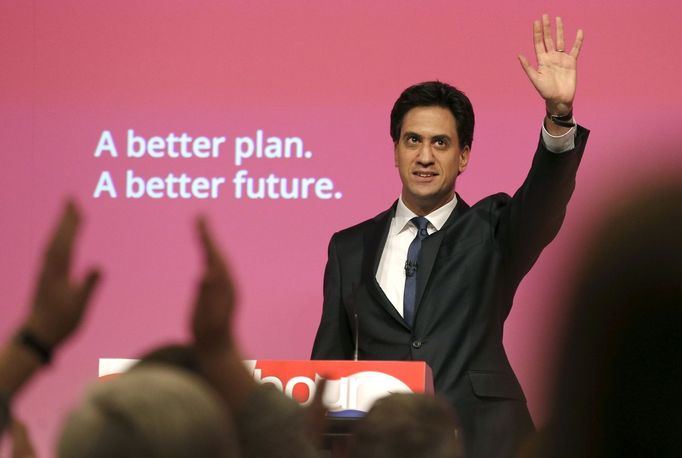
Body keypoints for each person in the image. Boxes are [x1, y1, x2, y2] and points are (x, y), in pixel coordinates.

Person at [311, 14, 588, 458]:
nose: (424, 156)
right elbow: (329, 362)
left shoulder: (494, 229)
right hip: (386, 445)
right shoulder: (349, 247)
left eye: (440, 143)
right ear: (396, 151)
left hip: (484, 440)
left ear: (463, 156)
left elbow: (545, 200)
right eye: (412, 141)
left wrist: (559, 117)